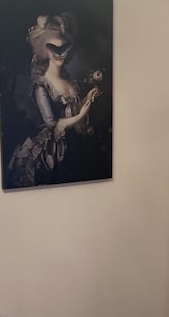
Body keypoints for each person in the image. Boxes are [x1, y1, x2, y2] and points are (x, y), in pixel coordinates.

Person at [6, 12, 100, 188]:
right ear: (44, 49)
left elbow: (71, 110)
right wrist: (81, 115)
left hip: (74, 145)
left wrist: (87, 99)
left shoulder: (68, 81)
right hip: (52, 150)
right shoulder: (41, 86)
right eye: (54, 48)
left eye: (64, 48)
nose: (60, 54)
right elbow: (54, 126)